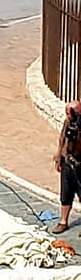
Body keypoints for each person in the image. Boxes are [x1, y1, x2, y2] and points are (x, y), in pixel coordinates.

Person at [53, 100, 81, 234]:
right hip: (67, 163)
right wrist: (58, 157)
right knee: (66, 193)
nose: (67, 115)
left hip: (80, 165)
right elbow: (62, 139)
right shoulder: (68, 122)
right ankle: (63, 221)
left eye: (69, 113)